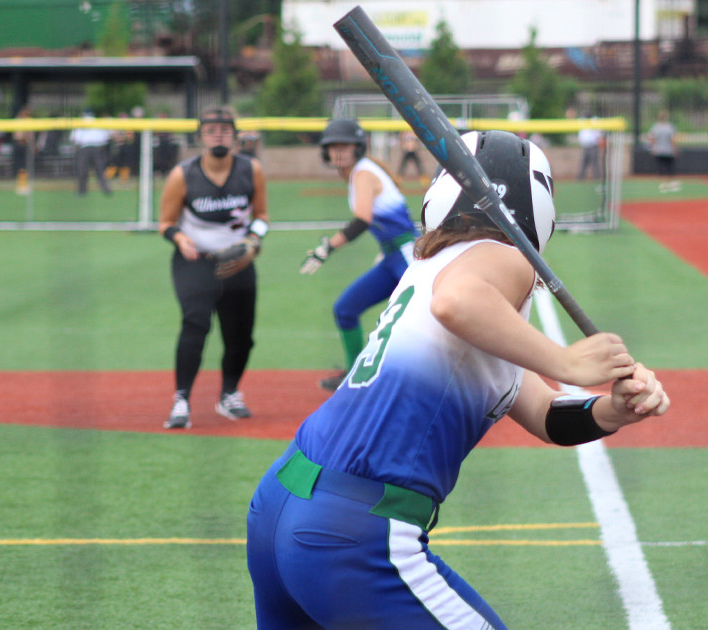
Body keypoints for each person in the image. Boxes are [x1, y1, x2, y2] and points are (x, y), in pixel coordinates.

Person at [247, 130, 670, 629]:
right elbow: (459, 303)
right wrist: (568, 362)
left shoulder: (431, 266)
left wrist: (610, 411)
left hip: (280, 503)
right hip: (353, 531)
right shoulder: (501, 254)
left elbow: (543, 414)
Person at [157, 106, 269, 430]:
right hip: (196, 261)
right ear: (200, 136)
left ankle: (229, 394)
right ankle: (181, 399)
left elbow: (261, 217)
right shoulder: (184, 174)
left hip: (238, 260)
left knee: (241, 336)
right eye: (210, 129)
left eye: (224, 129)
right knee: (196, 324)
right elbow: (165, 222)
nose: (218, 134)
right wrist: (179, 239)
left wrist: (252, 242)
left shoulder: (251, 170)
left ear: (235, 135)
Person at [299, 118, 420, 391]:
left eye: (346, 145)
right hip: (392, 257)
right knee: (345, 309)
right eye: (333, 146)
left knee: (420, 322)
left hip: (406, 257)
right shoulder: (358, 173)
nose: (339, 151)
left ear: (358, 148)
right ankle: (355, 374)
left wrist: (326, 248)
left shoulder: (363, 173)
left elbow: (362, 220)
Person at [69, 110, 112, 196]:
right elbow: (106, 138)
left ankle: (82, 190)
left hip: (85, 148)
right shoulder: (97, 122)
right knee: (100, 170)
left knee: (82, 170)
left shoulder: (80, 123)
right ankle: (105, 189)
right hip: (96, 148)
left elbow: (74, 139)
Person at [647, 110, 679, 192]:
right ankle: (671, 184)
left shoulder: (655, 127)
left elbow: (652, 139)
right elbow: (672, 139)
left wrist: (651, 148)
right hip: (668, 150)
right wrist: (675, 149)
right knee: (670, 168)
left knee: (660, 168)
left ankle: (663, 185)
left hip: (658, 150)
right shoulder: (670, 127)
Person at [11, 106, 33, 195]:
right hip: (20, 145)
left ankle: (23, 185)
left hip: (23, 145)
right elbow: (19, 135)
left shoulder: (26, 120)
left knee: (24, 167)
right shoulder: (20, 121)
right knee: (21, 166)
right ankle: (21, 186)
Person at [576, 112, 604, 181]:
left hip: (593, 146)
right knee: (583, 162)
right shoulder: (582, 121)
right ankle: (580, 177)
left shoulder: (595, 121)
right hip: (585, 146)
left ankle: (597, 177)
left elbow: (600, 133)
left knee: (594, 162)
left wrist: (600, 140)